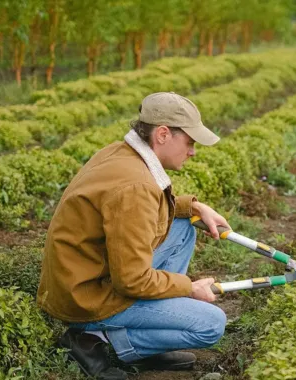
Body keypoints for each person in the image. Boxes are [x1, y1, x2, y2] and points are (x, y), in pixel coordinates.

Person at [37, 92, 231, 379]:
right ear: (163, 134)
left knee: (182, 228)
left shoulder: (120, 153)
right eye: (190, 142)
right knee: (211, 324)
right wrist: (188, 287)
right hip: (87, 297)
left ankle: (142, 334)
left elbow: (133, 210)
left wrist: (194, 206)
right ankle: (96, 339)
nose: (192, 152)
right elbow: (132, 280)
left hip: (79, 276)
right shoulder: (136, 186)